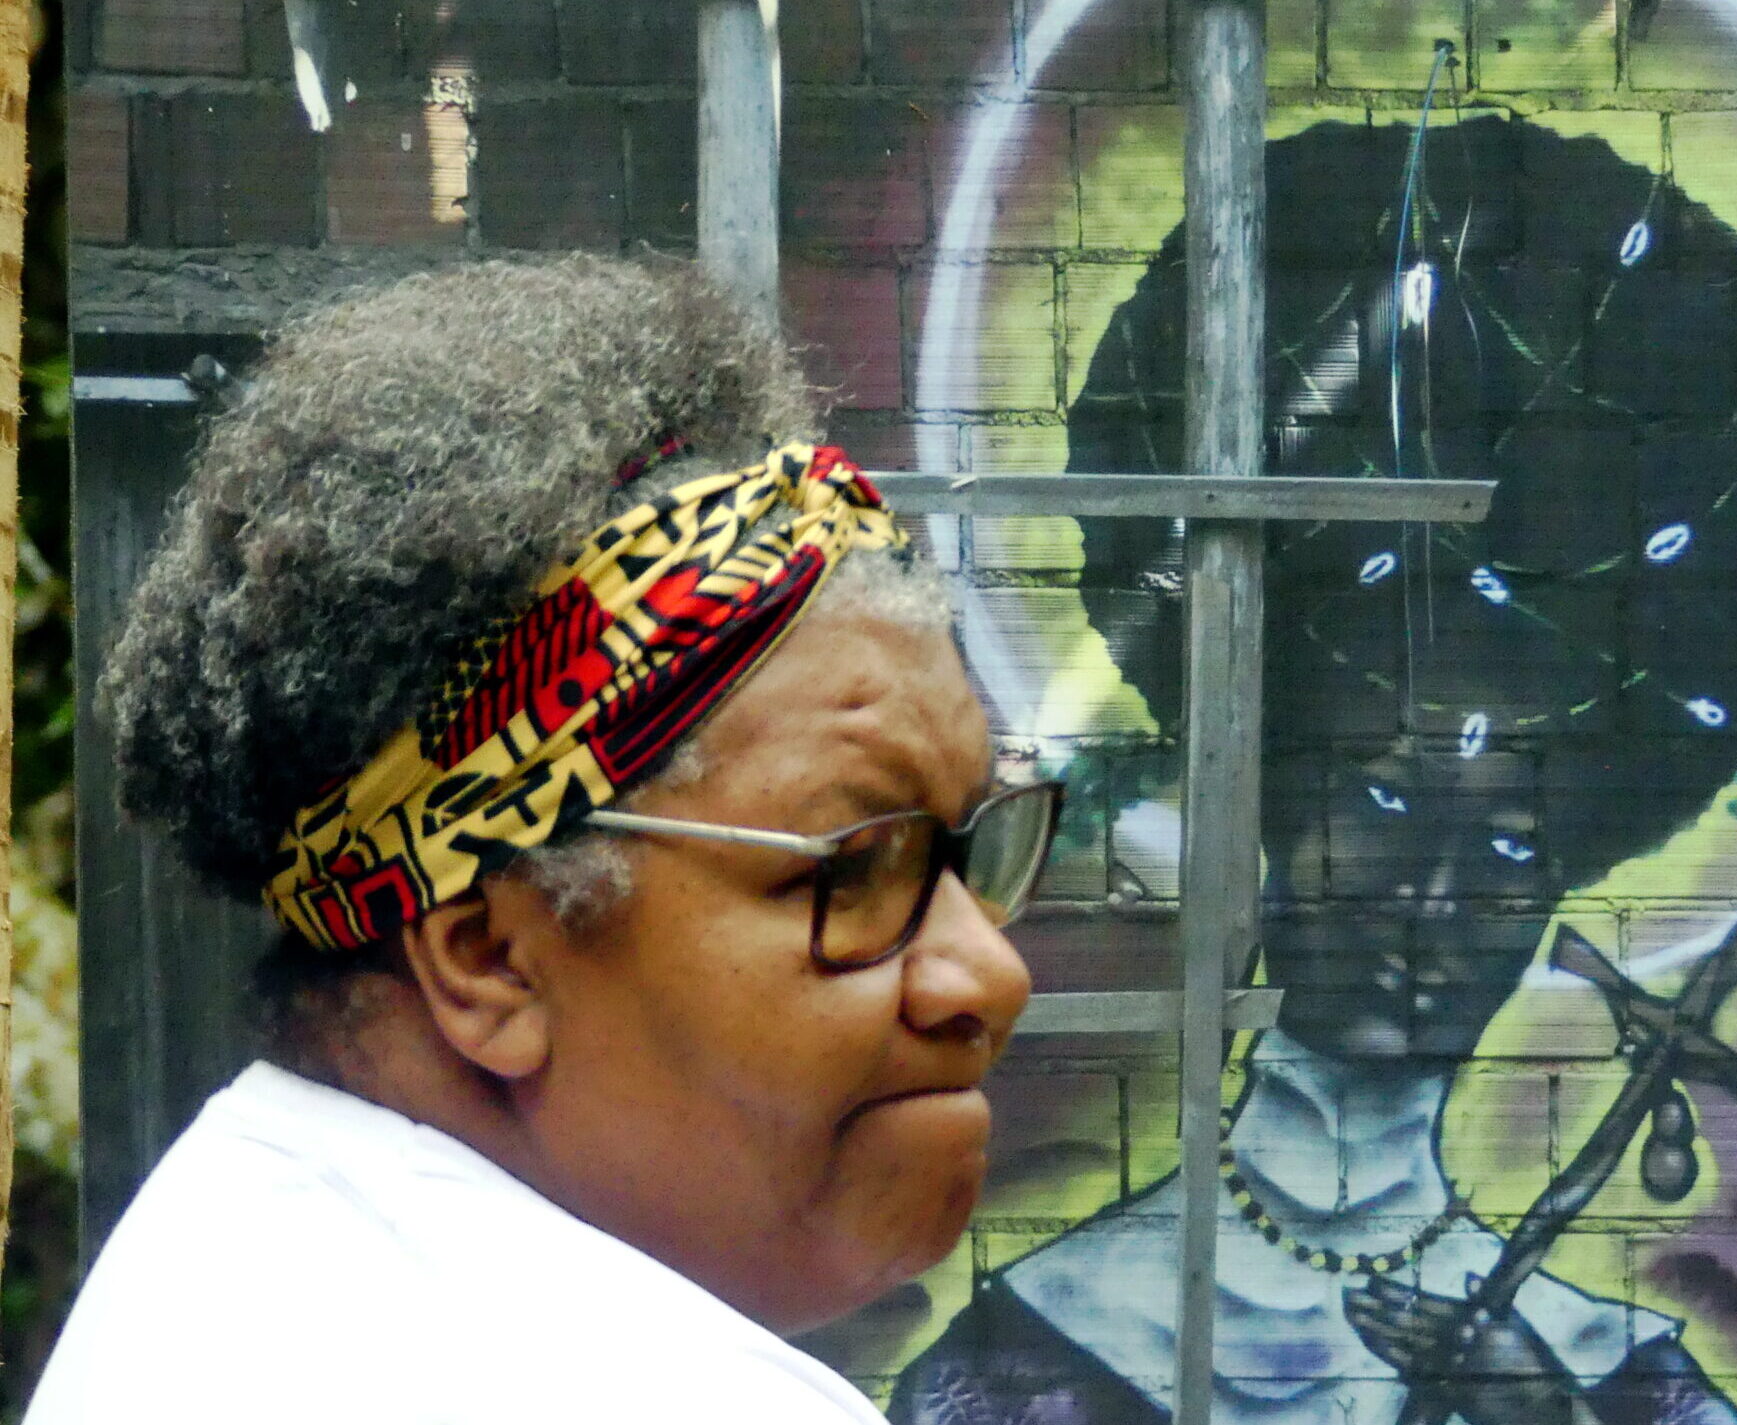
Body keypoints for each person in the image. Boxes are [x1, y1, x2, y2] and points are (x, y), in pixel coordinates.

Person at [892, 119, 1737, 1425]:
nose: (1434, 900)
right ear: (1271, 803)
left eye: (1513, 849)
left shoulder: (1616, 1384)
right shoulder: (1039, 1361)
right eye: (1385, 798)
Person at [32, 256, 1052, 1424]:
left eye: (971, 850)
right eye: (855, 867)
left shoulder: (229, 1248)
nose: (992, 975)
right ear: (488, 956)